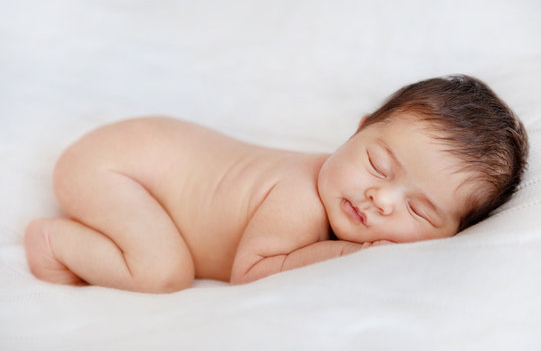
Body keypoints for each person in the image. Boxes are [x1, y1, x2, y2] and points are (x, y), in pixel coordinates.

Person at [24, 75, 529, 293]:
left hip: (147, 158)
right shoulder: (301, 196)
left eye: (419, 212)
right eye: (377, 163)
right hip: (116, 167)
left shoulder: (347, 197)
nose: (381, 199)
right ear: (357, 129)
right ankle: (51, 240)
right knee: (163, 274)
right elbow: (252, 271)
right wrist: (347, 255)